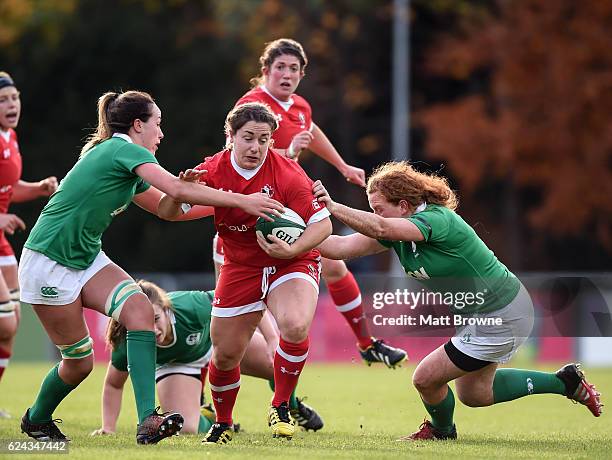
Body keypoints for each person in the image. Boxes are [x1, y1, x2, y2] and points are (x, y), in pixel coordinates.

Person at [18, 90, 284, 444]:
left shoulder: (125, 159)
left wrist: (233, 208)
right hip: (48, 263)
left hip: (85, 258)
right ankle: (36, 419)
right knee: (79, 363)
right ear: (138, 125)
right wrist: (241, 200)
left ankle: (148, 420)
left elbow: (166, 208)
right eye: (158, 125)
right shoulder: (121, 148)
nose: (161, 134)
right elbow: (175, 187)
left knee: (140, 311)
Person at [312, 161, 603, 441]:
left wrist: (334, 207)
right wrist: (290, 234)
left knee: (425, 378)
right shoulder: (395, 230)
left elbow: (381, 228)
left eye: (379, 209)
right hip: (481, 315)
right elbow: (339, 247)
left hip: (501, 312)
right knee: (475, 395)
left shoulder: (436, 219)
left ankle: (442, 432)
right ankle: (565, 382)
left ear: (403, 206)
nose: (374, 215)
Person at [214, 38, 406, 368]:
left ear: (302, 74)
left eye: (294, 69)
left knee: (331, 262)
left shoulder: (300, 106)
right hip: (251, 213)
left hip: (286, 207)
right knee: (237, 326)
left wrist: (342, 165)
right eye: (280, 68)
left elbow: (311, 131)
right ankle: (209, 391)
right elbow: (237, 158)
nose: (287, 75)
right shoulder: (253, 104)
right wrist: (288, 154)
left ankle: (365, 343)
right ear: (265, 71)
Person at [184, 102, 332, 444]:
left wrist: (293, 249)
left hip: (291, 260)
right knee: (224, 353)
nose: (256, 147)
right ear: (230, 137)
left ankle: (281, 405)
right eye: (248, 138)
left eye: (264, 139)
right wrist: (179, 193)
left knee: (294, 326)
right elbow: (169, 210)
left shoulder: (288, 173)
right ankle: (222, 422)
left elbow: (322, 225)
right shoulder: (212, 170)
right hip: (241, 265)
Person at [91, 280, 323, 436]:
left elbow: (246, 301)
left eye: (155, 319)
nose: (152, 330)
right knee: (187, 427)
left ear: (164, 307)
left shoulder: (191, 306)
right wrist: (108, 428)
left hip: (216, 341)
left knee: (277, 365)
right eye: (143, 323)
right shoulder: (130, 341)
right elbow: (113, 383)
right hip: (180, 364)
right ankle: (211, 419)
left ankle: (291, 407)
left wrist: (272, 338)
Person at [0, 72, 58, 419]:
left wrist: (36, 188)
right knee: (5, 323)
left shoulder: (10, 137)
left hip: (2, 242)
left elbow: (7, 190)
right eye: (4, 100)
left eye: (15, 98)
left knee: (12, 325)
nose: (12, 104)